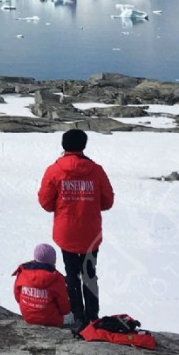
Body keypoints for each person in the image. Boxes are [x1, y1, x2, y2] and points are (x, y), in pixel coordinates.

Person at [37, 127, 115, 331]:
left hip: (67, 232)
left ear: (64, 146)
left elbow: (45, 203)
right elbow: (107, 201)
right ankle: (93, 316)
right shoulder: (96, 170)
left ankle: (78, 317)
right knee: (89, 274)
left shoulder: (54, 170)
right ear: (83, 145)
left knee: (72, 274)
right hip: (90, 233)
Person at [12, 242, 72, 327]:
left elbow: (17, 296)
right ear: (53, 261)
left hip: (28, 317)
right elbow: (65, 308)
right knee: (72, 316)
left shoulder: (23, 273)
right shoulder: (57, 279)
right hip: (52, 320)